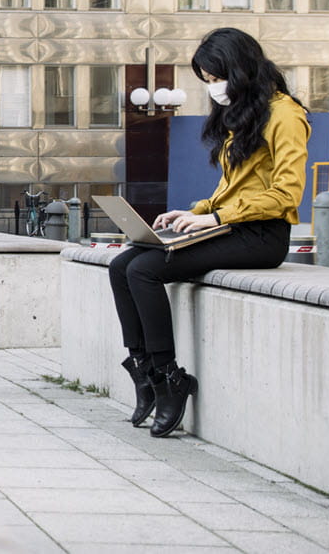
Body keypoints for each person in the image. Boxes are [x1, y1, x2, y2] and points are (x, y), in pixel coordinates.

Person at [108, 27, 309, 437]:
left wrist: (216, 220)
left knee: (145, 269)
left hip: (263, 236)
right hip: (233, 224)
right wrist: (195, 212)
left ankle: (170, 377)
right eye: (208, 82)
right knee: (121, 264)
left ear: (242, 69)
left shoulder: (286, 115)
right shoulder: (247, 113)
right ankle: (144, 370)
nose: (214, 89)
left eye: (217, 79)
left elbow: (287, 194)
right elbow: (235, 187)